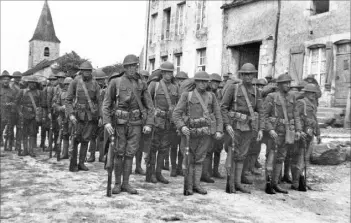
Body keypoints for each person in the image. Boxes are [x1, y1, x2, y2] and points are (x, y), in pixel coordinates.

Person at [103, 54, 154, 194]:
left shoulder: (142, 83)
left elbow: (150, 106)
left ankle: (126, 183)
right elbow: (106, 104)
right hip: (119, 124)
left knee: (130, 154)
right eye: (129, 66)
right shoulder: (116, 82)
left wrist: (149, 123)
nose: (132, 69)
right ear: (124, 68)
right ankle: (117, 183)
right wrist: (107, 122)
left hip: (136, 124)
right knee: (119, 153)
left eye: (134, 66)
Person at [173, 71, 223, 195]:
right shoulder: (187, 95)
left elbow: (218, 114)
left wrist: (219, 130)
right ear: (195, 82)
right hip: (190, 133)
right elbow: (176, 114)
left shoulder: (211, 96)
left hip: (205, 133)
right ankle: (189, 186)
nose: (202, 84)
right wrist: (182, 126)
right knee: (189, 159)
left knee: (199, 160)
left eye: (205, 81)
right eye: (200, 81)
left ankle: (197, 185)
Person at [221, 63, 264, 194]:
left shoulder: (256, 92)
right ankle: (230, 182)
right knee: (232, 154)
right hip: (234, 126)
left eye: (250, 74)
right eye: (245, 74)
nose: (248, 77)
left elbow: (261, 111)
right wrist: (227, 124)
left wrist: (261, 129)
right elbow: (223, 107)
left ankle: (238, 183)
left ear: (254, 76)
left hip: (248, 127)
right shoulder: (233, 89)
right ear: (242, 75)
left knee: (242, 155)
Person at [263, 73, 302, 194]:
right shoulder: (271, 97)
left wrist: (298, 130)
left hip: (286, 133)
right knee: (271, 157)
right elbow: (264, 115)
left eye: (289, 83)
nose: (288, 85)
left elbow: (296, 115)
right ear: (279, 85)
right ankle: (268, 184)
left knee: (281, 158)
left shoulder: (292, 97)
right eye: (286, 83)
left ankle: (276, 183)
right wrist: (270, 129)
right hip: (274, 132)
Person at [146, 61, 179, 183]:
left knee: (164, 148)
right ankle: (151, 174)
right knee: (153, 148)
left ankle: (159, 173)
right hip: (156, 121)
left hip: (168, 122)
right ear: (162, 73)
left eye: (170, 72)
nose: (168, 75)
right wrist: (148, 121)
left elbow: (179, 105)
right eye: (166, 72)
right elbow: (147, 104)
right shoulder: (154, 85)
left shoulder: (176, 87)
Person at [66, 61, 101, 172]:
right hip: (77, 115)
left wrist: (100, 116)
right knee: (75, 139)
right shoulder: (75, 82)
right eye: (84, 70)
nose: (86, 73)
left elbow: (100, 101)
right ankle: (73, 164)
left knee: (86, 140)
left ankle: (81, 163)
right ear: (81, 71)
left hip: (90, 116)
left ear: (91, 72)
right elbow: (68, 100)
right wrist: (71, 114)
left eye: (88, 71)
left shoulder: (95, 84)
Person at [293, 84, 321, 191]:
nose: (313, 95)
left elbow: (315, 120)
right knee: (299, 158)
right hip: (303, 134)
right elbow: (296, 117)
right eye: (311, 92)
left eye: (314, 93)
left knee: (306, 159)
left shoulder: (313, 104)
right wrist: (299, 130)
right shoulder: (301, 103)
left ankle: (303, 180)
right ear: (306, 93)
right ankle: (296, 182)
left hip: (310, 134)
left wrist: (318, 133)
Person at [17, 75, 43, 157]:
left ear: (36, 84)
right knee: (24, 133)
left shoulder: (39, 93)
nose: (32, 84)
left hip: (34, 115)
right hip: (24, 114)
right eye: (30, 82)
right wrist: (19, 112)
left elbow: (41, 105)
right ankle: (25, 150)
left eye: (34, 83)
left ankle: (31, 151)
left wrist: (39, 114)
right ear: (28, 83)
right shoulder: (22, 91)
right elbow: (17, 103)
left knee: (32, 133)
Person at [87, 69, 108, 163]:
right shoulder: (90, 89)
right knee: (92, 136)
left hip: (102, 115)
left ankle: (101, 156)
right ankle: (91, 156)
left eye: (102, 80)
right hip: (92, 115)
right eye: (98, 80)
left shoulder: (107, 90)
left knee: (102, 137)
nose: (100, 82)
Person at [53, 77, 73, 160]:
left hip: (72, 118)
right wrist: (61, 108)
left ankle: (72, 153)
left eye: (69, 84)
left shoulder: (76, 94)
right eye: (66, 84)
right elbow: (55, 105)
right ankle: (64, 153)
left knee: (73, 135)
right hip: (63, 117)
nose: (68, 86)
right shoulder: (61, 94)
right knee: (64, 135)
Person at [0, 71, 18, 151]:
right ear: (1, 80)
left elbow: (16, 101)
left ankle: (9, 145)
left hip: (9, 113)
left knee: (10, 130)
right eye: (4, 79)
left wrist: (12, 104)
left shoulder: (13, 91)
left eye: (7, 79)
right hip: (0, 112)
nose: (6, 81)